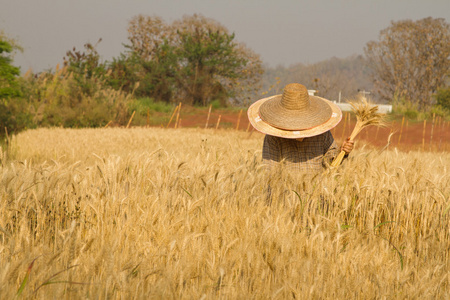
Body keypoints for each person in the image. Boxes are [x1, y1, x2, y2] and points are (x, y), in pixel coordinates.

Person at [248, 83, 354, 175]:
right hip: (285, 196)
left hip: (315, 196)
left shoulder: (322, 134)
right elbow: (271, 173)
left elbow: (331, 163)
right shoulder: (273, 138)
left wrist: (343, 151)